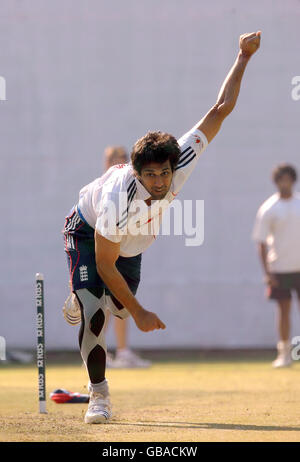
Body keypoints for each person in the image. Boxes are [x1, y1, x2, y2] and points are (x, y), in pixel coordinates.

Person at [63, 31, 261, 424]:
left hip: (132, 246)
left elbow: (220, 109)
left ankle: (83, 296)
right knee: (96, 312)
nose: (159, 182)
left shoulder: (180, 162)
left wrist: (242, 56)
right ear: (136, 172)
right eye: (150, 175)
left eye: (164, 173)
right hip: (88, 231)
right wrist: (141, 311)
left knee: (116, 308)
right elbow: (105, 264)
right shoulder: (119, 198)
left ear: (174, 167)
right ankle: (99, 395)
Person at [103, 146, 151, 368]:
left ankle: (123, 352)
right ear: (107, 162)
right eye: (114, 159)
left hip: (124, 252)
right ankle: (98, 352)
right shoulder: (104, 186)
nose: (119, 162)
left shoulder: (132, 186)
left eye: (122, 158)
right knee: (101, 304)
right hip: (105, 252)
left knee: (123, 301)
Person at [253, 164, 300, 368]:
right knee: (284, 310)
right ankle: (284, 354)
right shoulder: (269, 208)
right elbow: (261, 243)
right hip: (280, 268)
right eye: (281, 179)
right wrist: (267, 273)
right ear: (276, 182)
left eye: (288, 179)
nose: (285, 183)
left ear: (293, 180)